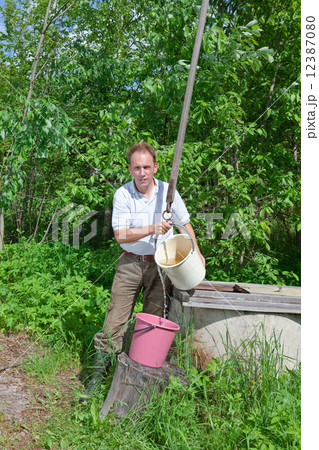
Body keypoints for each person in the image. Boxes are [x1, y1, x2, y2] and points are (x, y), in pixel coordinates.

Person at [82, 141, 205, 398]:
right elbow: (120, 235)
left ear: (155, 167)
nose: (142, 173)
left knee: (153, 324)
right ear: (130, 169)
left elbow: (185, 224)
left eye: (147, 167)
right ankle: (96, 383)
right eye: (137, 167)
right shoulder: (123, 195)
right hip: (130, 263)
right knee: (114, 322)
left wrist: (196, 251)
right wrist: (152, 228)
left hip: (162, 265)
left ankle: (142, 387)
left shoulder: (168, 192)